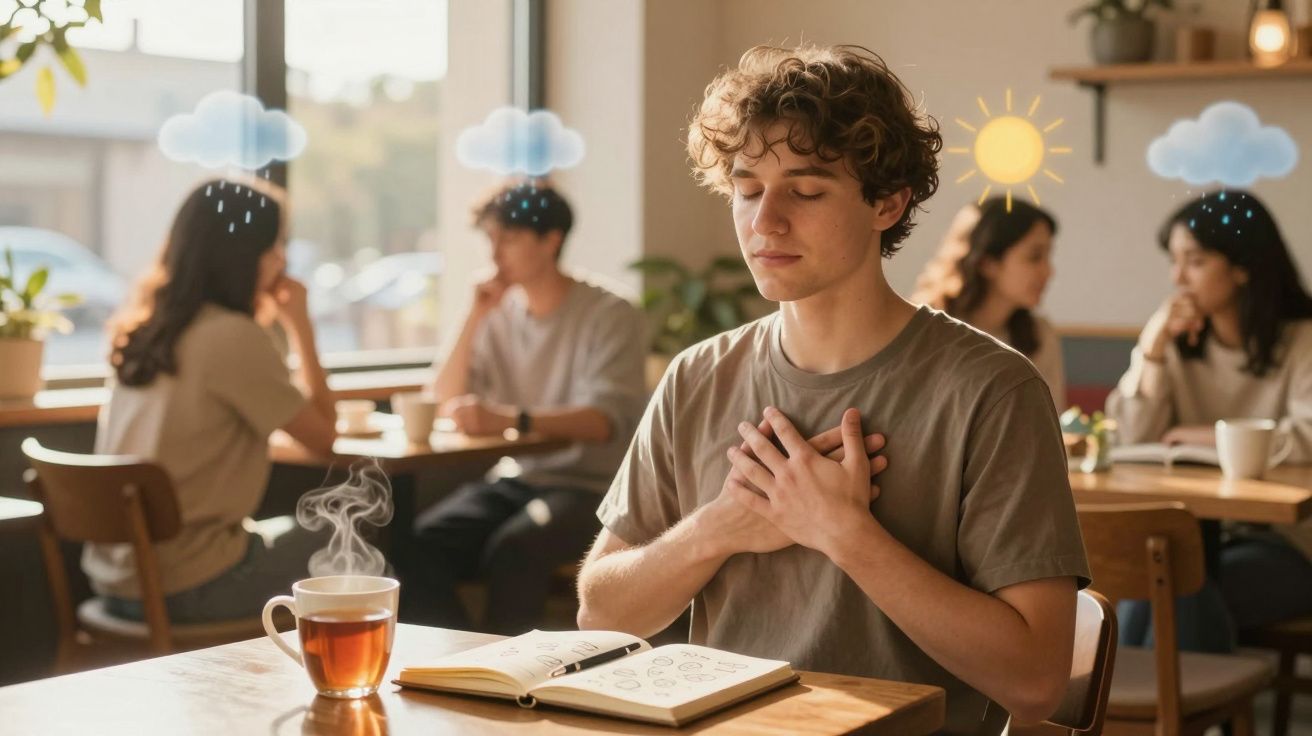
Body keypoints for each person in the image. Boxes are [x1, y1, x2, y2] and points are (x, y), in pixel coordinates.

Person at [575, 45, 1089, 734]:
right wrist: (718, 528)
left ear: (889, 202)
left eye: (807, 190)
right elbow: (601, 614)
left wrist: (845, 534)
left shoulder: (993, 390)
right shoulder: (696, 376)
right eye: (748, 188)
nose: (765, 221)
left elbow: (1034, 681)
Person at [403, 180, 648, 635]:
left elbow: (604, 422)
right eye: (490, 240)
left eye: (509, 239)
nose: (495, 254)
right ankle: (465, 663)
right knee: (417, 544)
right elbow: (437, 399)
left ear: (551, 240)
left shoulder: (610, 313)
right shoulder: (499, 313)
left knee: (515, 549)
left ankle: (514, 679)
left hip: (592, 489)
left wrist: (512, 419)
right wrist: (475, 314)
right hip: (519, 479)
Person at [93, 177, 337, 623]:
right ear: (245, 257)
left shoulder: (148, 329)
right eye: (274, 246)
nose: (281, 260)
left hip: (117, 584)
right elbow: (324, 437)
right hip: (188, 588)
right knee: (348, 537)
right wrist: (300, 324)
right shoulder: (230, 336)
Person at [1107, 189, 1312, 647]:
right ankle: (1189, 715)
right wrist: (1152, 350)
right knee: (1171, 580)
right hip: (1197, 537)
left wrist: (1201, 438)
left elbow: (1308, 438)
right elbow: (1130, 438)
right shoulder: (1178, 346)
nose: (1177, 278)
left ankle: (1139, 715)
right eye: (1173, 260)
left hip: (1291, 544)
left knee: (1173, 589)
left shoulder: (1304, 341)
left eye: (1195, 261)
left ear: (1243, 267)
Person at [913, 198, 1065, 408]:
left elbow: (1050, 423)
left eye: (1048, 256)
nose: (1048, 272)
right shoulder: (925, 330)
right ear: (987, 263)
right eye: (1034, 257)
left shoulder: (1040, 335)